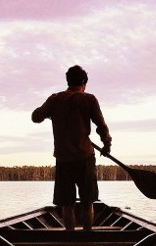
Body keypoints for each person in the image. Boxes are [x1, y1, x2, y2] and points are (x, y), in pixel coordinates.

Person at [32, 65, 112, 230]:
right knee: (87, 202)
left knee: (67, 204)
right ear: (83, 82)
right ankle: (87, 238)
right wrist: (106, 144)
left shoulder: (55, 99)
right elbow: (101, 126)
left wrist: (47, 112)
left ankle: (71, 242)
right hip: (85, 158)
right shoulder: (89, 99)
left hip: (63, 160)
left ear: (68, 81)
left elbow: (35, 117)